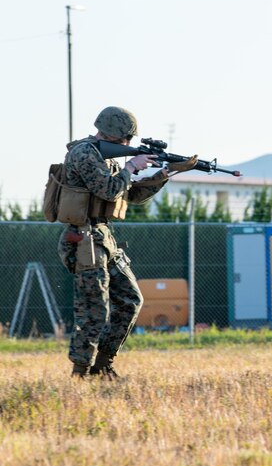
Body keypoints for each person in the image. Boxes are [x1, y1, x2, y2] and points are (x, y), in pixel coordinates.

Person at [57, 106, 193, 378]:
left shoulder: (109, 158)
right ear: (115, 132)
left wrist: (164, 174)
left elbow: (128, 196)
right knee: (94, 310)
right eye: (126, 139)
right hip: (83, 240)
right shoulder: (84, 153)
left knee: (131, 299)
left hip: (103, 238)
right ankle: (80, 372)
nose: (129, 144)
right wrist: (131, 166)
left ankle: (103, 365)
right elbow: (108, 190)